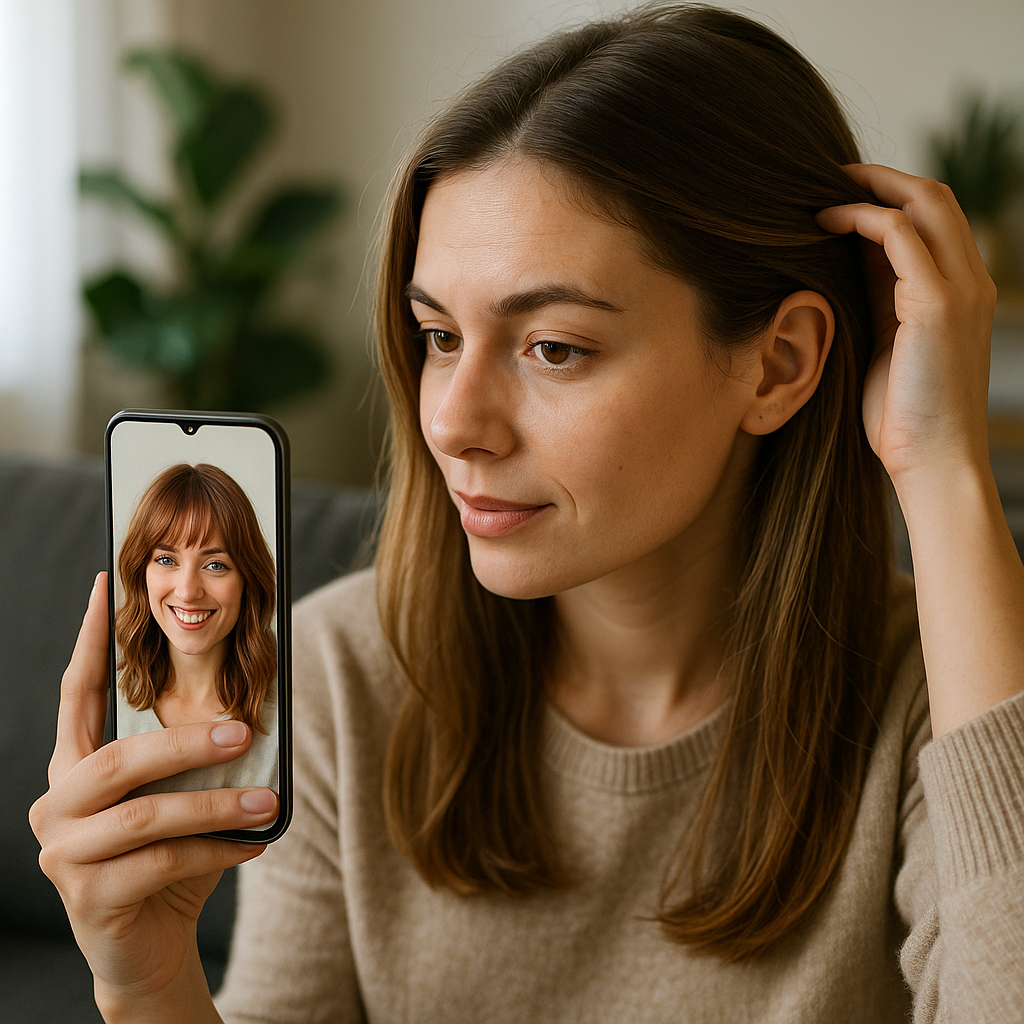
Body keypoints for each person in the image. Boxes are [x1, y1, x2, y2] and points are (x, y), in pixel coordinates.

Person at [30, 5, 1024, 1022]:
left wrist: (941, 463)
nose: (453, 424)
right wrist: (148, 980)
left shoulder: (939, 702)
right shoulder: (343, 671)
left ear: (779, 363)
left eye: (553, 347)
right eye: (438, 335)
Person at [114, 462, 279, 793]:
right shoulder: (108, 699)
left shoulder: (291, 715)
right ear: (140, 572)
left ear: (249, 581)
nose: (188, 591)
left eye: (215, 565)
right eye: (166, 560)